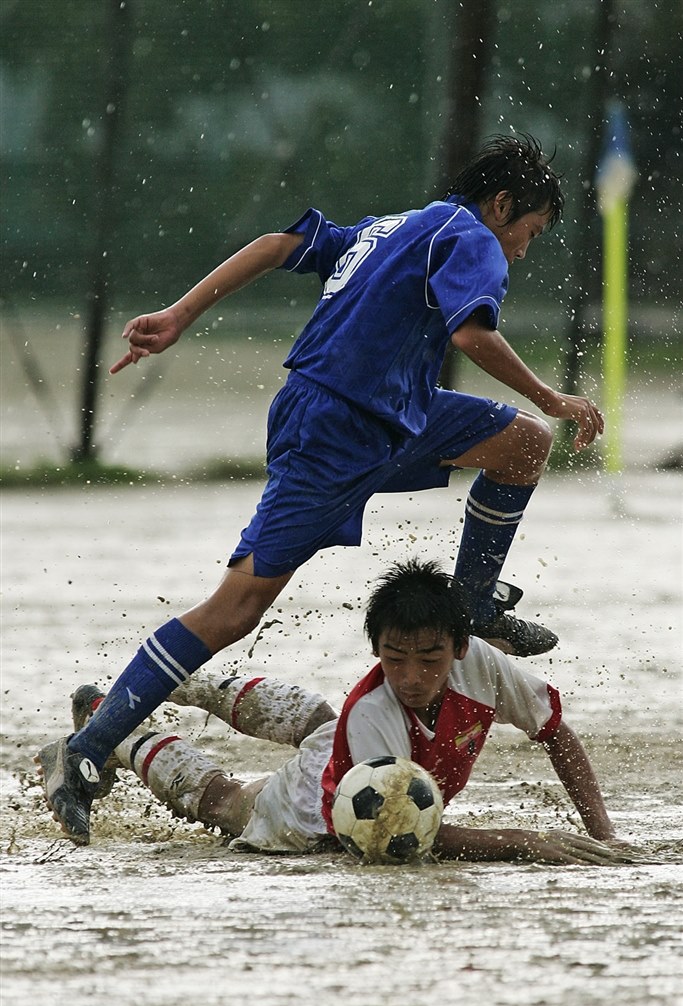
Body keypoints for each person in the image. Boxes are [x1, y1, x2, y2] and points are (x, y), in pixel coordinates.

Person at [36, 134, 604, 846]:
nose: (521, 249)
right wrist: (552, 394)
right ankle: (86, 749)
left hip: (385, 415)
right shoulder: (473, 239)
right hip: (337, 430)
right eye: (528, 232)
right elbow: (470, 337)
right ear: (501, 206)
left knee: (519, 446)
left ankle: (471, 601)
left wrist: (180, 314)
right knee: (235, 608)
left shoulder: (389, 227)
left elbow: (277, 245)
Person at [49, 560, 629, 866]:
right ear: (376, 650)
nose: (411, 676)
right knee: (226, 800)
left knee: (317, 719)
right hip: (316, 820)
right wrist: (517, 841)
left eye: (428, 659)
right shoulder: (373, 712)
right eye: (393, 659)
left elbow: (557, 732)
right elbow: (394, 832)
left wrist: (603, 833)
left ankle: (181, 682)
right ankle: (116, 724)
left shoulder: (485, 665)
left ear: (459, 646)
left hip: (351, 753)